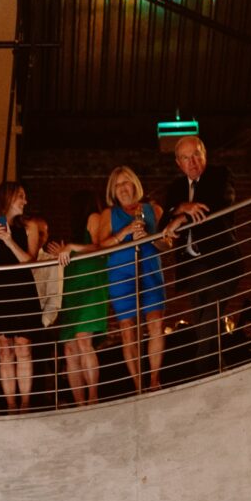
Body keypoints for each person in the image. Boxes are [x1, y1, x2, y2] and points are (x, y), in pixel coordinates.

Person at [160, 134, 241, 379]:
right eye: (186, 158)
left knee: (210, 315)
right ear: (179, 163)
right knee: (204, 321)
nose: (192, 162)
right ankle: (219, 370)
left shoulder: (219, 175)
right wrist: (182, 208)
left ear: (204, 154)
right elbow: (164, 220)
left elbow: (218, 204)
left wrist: (182, 218)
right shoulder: (176, 188)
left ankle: (200, 370)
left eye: (196, 154)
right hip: (192, 266)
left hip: (221, 261)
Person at [0, 182, 42, 413]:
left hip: (22, 288)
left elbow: (30, 262)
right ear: (8, 197)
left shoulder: (30, 226)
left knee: (23, 347)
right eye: (21, 196)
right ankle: (10, 404)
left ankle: (25, 403)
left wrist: (10, 241)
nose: (25, 201)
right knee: (4, 350)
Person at [102, 165, 166, 392]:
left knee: (156, 322)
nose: (122, 188)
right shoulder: (108, 214)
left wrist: (150, 236)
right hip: (121, 271)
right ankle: (138, 385)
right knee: (128, 329)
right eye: (117, 185)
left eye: (126, 182)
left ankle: (154, 381)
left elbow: (166, 243)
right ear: (113, 190)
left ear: (134, 184)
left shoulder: (154, 210)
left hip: (149, 267)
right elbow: (102, 244)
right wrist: (126, 231)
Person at [58, 192, 108, 405]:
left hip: (90, 286)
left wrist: (72, 248)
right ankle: (79, 403)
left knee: (83, 339)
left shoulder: (94, 217)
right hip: (72, 289)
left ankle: (93, 397)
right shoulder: (76, 229)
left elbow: (99, 246)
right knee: (69, 348)